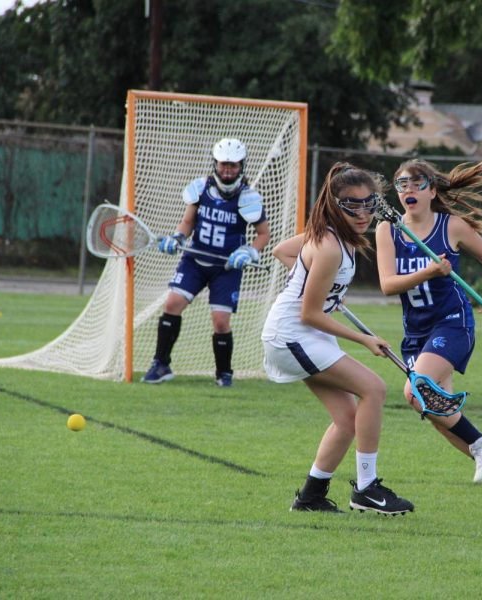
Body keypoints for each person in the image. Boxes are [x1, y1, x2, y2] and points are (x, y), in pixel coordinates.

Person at [261, 162, 414, 515]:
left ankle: (311, 497)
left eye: (369, 203)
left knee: (347, 418)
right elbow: (309, 313)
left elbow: (282, 251)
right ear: (334, 205)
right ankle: (366, 488)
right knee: (374, 388)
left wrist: (324, 288)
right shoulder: (329, 246)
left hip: (305, 334)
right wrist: (364, 339)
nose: (363, 213)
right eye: (352, 205)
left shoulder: (334, 237)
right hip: (292, 335)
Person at [375, 158, 482, 496]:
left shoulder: (452, 226)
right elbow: (388, 284)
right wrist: (429, 272)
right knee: (434, 409)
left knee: (416, 389)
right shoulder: (388, 230)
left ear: (432, 190)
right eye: (402, 184)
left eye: (417, 183)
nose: (409, 190)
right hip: (416, 334)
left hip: (452, 324)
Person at [142, 138, 270, 387]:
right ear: (215, 163)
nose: (228, 170)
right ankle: (160, 364)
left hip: (227, 267)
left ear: (242, 166)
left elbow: (264, 234)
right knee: (172, 303)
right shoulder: (200, 189)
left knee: (221, 320)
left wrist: (249, 251)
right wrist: (178, 236)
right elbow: (188, 222)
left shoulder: (249, 197)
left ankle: (224, 374)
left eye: (233, 165)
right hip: (195, 260)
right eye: (224, 164)